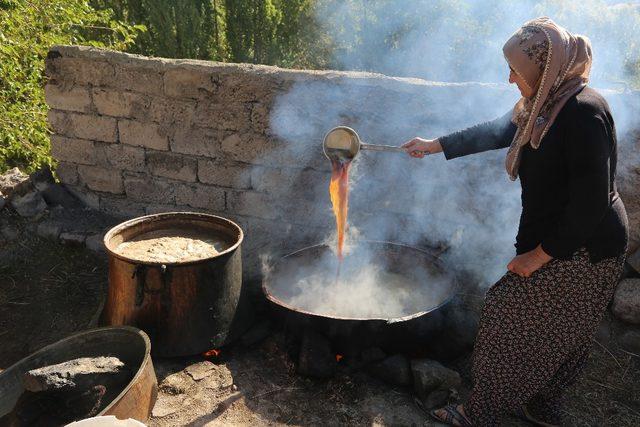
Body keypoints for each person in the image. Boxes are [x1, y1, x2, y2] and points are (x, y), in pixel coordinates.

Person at [402, 17, 629, 427]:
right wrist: (434, 145)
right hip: (562, 238)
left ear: (545, 70)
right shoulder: (541, 106)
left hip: (586, 247)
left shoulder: (582, 114)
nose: (509, 79)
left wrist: (538, 257)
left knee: (507, 319)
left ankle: (480, 412)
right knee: (557, 332)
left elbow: (590, 205)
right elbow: (494, 132)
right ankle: (538, 404)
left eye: (516, 71)